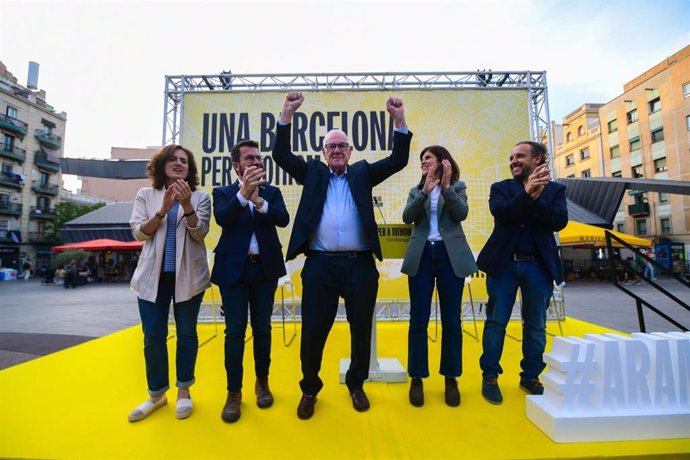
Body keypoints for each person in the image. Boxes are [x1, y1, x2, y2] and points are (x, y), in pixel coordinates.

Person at [273, 92, 411, 419]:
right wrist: (287, 113)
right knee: (313, 332)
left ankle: (356, 383)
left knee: (361, 329)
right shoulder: (313, 173)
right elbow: (281, 154)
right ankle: (310, 388)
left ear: (350, 152)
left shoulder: (362, 173)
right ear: (323, 153)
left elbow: (398, 161)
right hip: (320, 266)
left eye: (342, 146)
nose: (337, 150)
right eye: (331, 146)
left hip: (360, 266)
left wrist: (399, 120)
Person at [476, 141, 568, 405]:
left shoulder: (556, 190)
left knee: (536, 325)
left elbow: (558, 220)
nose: (513, 161)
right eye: (511, 157)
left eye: (520, 156)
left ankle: (530, 377)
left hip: (539, 267)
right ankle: (490, 376)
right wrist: (527, 194)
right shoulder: (501, 189)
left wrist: (535, 198)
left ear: (537, 159)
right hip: (504, 265)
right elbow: (502, 213)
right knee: (496, 322)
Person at [127, 144, 211, 422]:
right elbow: (140, 233)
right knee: (153, 335)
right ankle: (156, 395)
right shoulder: (146, 195)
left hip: (188, 277)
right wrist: (163, 209)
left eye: (184, 161)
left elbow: (199, 234)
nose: (179, 164)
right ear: (162, 165)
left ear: (190, 168)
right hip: (152, 278)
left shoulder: (200, 197)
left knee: (187, 334)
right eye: (173, 159)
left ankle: (184, 391)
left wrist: (186, 206)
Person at [211, 140, 290, 423]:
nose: (256, 162)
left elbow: (283, 219)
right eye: (249, 159)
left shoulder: (272, 192)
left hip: (264, 270)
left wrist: (258, 200)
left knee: (262, 328)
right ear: (236, 166)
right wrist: (244, 194)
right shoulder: (222, 192)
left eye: (259, 158)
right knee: (234, 332)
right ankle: (233, 393)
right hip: (233, 272)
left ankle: (262, 382)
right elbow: (223, 219)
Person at [400, 146, 477, 408]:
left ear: (443, 161)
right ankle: (417, 377)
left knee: (452, 321)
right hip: (422, 256)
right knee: (418, 320)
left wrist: (445, 186)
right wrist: (424, 192)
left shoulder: (458, 186)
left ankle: (451, 377)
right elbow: (407, 217)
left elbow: (462, 213)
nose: (423, 162)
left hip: (449, 256)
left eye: (427, 158)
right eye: (421, 160)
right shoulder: (416, 190)